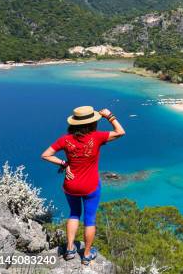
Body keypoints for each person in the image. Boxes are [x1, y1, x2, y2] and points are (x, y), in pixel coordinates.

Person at [41, 106, 125, 265]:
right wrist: (110, 116)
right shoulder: (97, 137)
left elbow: (45, 155)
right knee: (90, 219)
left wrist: (65, 164)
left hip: (71, 185)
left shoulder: (65, 140)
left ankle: (70, 250)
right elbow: (121, 132)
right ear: (92, 123)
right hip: (91, 186)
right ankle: (86, 255)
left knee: (73, 213)